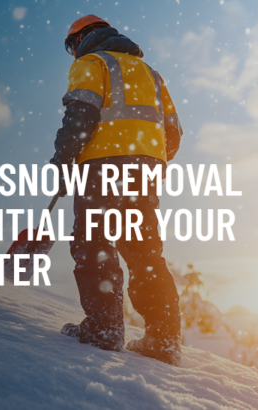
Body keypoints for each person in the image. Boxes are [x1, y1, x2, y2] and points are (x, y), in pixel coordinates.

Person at [51, 15, 184, 365]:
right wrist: (147, 161)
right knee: (145, 252)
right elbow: (173, 133)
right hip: (146, 170)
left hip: (101, 165)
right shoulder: (150, 73)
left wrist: (64, 160)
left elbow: (80, 115)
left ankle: (104, 329)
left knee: (93, 241)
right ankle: (163, 341)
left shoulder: (92, 63)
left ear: (82, 39)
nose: (72, 52)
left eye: (71, 45)